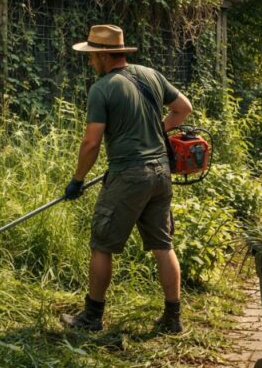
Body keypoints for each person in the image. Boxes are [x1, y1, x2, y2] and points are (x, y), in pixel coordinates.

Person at [60, 24, 193, 333]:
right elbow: (183, 108)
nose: (90, 61)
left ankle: (92, 317)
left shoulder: (102, 88)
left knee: (102, 244)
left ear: (105, 56)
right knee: (163, 245)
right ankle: (173, 318)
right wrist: (158, 130)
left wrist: (77, 180)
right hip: (160, 173)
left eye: (92, 56)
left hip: (129, 174)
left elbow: (91, 143)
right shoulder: (150, 75)